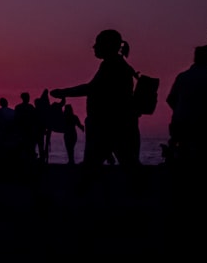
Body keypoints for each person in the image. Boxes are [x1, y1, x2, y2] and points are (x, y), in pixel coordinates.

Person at [50, 29, 140, 171]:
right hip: (113, 125)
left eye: (98, 43)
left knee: (94, 168)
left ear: (108, 45)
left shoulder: (112, 65)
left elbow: (91, 88)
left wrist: (64, 92)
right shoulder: (118, 65)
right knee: (125, 164)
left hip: (109, 125)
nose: (94, 47)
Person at [165, 45, 207, 169]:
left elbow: (170, 99)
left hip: (180, 126)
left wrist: (181, 112)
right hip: (202, 129)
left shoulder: (182, 76)